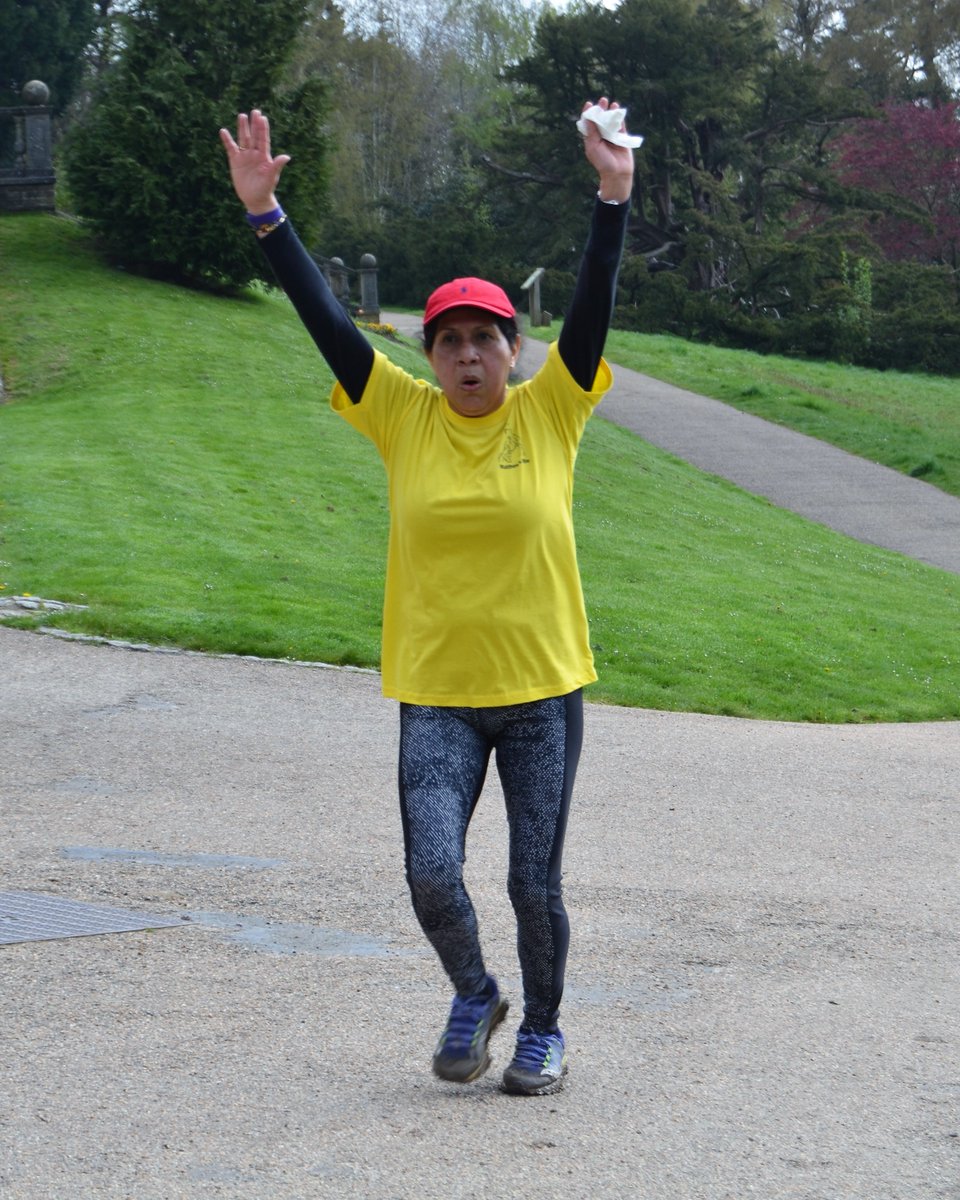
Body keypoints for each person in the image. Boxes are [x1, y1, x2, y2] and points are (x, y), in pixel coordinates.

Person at [220, 99, 635, 1096]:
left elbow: (592, 301)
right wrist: (266, 217)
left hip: (541, 691)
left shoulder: (557, 405)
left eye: (483, 338)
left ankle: (542, 1029)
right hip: (438, 692)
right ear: (428, 352)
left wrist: (612, 197)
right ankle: (473, 991)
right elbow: (325, 319)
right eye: (446, 339)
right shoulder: (400, 414)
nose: (464, 355)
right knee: (430, 872)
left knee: (533, 881)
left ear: (512, 349)